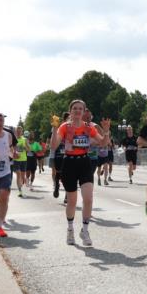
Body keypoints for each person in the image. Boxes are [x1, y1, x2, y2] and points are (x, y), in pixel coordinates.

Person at [49, 100, 108, 246]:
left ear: (83, 111)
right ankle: (70, 229)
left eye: (80, 109)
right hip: (69, 163)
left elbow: (103, 143)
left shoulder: (88, 127)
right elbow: (54, 145)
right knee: (72, 201)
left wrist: (106, 131)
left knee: (88, 199)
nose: (77, 111)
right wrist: (54, 129)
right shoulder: (65, 127)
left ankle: (85, 231)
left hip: (84, 162)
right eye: (75, 108)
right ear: (70, 111)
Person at [13, 130, 29, 196]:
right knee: (18, 174)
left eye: (20, 131)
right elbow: (10, 148)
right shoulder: (13, 139)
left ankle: (21, 186)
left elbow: (29, 149)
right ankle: (20, 191)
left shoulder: (25, 139)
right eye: (17, 131)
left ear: (22, 132)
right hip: (16, 160)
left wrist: (25, 147)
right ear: (15, 132)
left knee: (22, 176)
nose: (18, 133)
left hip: (23, 160)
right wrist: (14, 152)